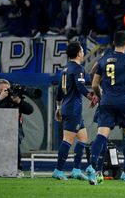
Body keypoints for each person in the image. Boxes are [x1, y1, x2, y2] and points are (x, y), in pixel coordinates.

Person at [85, 30, 125, 185]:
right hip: (123, 101)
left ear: (113, 43)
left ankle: (91, 166)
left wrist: (101, 95)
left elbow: (94, 84)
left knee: (102, 135)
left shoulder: (103, 60)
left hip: (106, 102)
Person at [52, 41, 97, 180]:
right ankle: (58, 171)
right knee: (68, 140)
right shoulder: (78, 68)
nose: (83, 52)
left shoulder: (65, 70)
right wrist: (92, 97)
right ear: (78, 53)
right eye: (82, 50)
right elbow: (80, 86)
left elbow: (58, 92)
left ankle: (76, 170)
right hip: (73, 109)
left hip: (67, 107)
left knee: (83, 138)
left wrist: (58, 108)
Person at [0, 79, 34, 175]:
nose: (9, 91)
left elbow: (30, 110)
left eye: (9, 89)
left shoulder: (14, 98)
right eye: (5, 90)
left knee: (14, 138)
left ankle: (17, 168)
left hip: (14, 128)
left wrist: (19, 101)